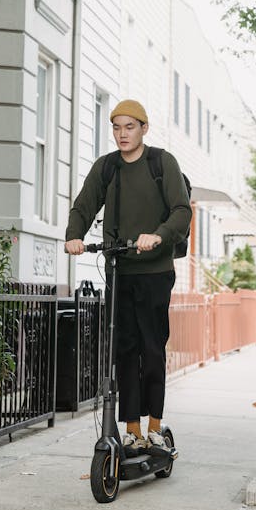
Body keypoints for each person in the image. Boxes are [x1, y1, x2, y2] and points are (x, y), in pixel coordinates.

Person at [65, 99, 191, 456]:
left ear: (143, 129)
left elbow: (182, 211)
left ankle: (154, 427)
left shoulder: (161, 162)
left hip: (154, 271)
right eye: (117, 127)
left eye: (129, 127)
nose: (122, 134)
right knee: (124, 349)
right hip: (119, 270)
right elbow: (84, 205)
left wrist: (159, 235)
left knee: (152, 349)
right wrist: (74, 235)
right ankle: (131, 429)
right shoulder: (106, 168)